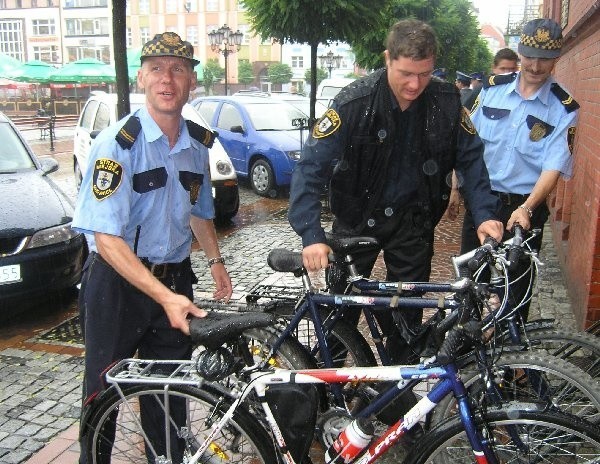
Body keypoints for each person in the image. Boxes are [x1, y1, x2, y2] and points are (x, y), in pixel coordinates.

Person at [288, 19, 503, 365]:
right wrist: (312, 234)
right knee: (339, 314)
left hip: (412, 225)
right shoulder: (354, 103)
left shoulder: (447, 102)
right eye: (405, 73)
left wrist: (486, 214)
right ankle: (328, 390)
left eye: (425, 73)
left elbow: (472, 162)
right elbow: (310, 169)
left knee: (406, 321)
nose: (415, 84)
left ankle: (395, 400)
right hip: (356, 222)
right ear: (388, 58)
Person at [72, 32, 233, 462]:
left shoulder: (197, 145)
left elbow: (199, 209)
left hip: (175, 280)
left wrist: (216, 262)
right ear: (142, 77)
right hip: (117, 286)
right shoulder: (116, 145)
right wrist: (166, 298)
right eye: (158, 68)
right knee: (101, 394)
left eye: (178, 69)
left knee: (169, 395)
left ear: (191, 82)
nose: (168, 78)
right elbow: (105, 239)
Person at [460, 18, 579, 320]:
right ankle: (468, 357)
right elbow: (468, 143)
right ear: (520, 53)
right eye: (531, 57)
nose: (537, 66)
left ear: (557, 59)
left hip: (524, 208)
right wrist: (455, 188)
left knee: (516, 292)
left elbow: (554, 166)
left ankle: (510, 363)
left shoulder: (563, 107)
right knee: (470, 285)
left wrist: (527, 207)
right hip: (482, 202)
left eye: (546, 59)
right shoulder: (490, 91)